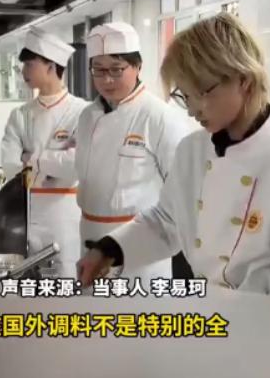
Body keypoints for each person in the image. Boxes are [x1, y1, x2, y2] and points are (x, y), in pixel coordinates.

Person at [77, 13, 270, 296]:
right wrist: (108, 250)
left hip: (267, 318)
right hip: (207, 308)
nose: (192, 110)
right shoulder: (192, 150)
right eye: (185, 96)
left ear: (243, 79)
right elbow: (167, 220)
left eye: (200, 92)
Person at [75, 21, 194, 287]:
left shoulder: (160, 117)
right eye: (98, 70)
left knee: (137, 311)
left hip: (140, 248)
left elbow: (183, 192)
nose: (107, 79)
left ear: (138, 66)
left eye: (116, 69)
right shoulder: (86, 117)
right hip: (89, 239)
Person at [0, 27, 88, 277]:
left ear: (51, 65)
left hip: (65, 218)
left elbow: (76, 165)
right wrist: (51, 165)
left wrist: (33, 159)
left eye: (29, 64)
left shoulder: (82, 112)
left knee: (65, 281)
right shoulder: (20, 115)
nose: (23, 71)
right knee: (28, 282)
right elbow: (10, 166)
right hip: (26, 216)